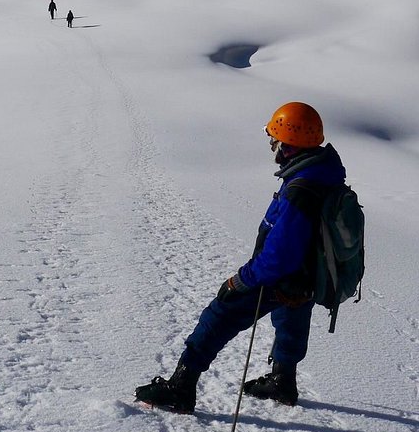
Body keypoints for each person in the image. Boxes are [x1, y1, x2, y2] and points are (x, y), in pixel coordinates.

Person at [135, 102, 347, 414]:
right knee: (291, 315)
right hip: (309, 275)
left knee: (219, 314)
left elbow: (278, 257)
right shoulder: (322, 173)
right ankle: (283, 380)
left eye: (275, 139)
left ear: (288, 145)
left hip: (284, 275)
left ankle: (182, 385)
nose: (272, 145)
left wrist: (241, 279)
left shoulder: (301, 189)